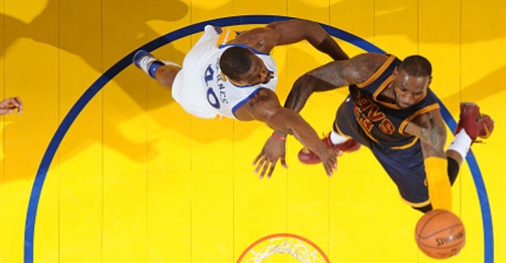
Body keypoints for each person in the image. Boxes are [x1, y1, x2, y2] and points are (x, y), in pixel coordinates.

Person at [132, 19, 350, 178]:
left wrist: (346, 65)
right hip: (201, 95)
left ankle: (158, 64)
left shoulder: (256, 40)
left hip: (208, 54)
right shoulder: (258, 102)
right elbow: (291, 121)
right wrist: (322, 151)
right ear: (238, 81)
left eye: (260, 67)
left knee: (225, 38)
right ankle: (149, 65)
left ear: (253, 51)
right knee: (172, 79)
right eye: (255, 77)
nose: (263, 75)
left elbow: (306, 28)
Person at [282, 52, 494, 212]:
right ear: (394, 74)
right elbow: (307, 81)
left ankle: (467, 131)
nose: (408, 98)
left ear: (429, 83)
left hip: (397, 149)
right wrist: (280, 132)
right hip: (359, 116)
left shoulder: (428, 123)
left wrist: (443, 214)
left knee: (426, 203)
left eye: (417, 93)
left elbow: (438, 178)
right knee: (341, 122)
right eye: (403, 89)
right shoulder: (367, 70)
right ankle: (338, 142)